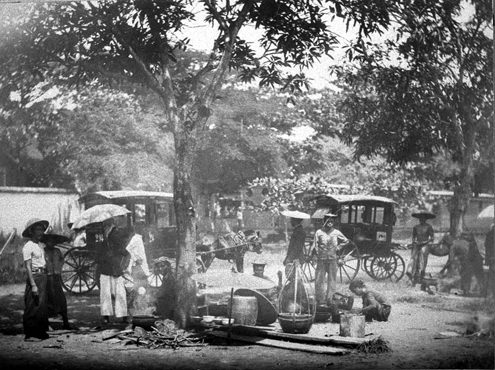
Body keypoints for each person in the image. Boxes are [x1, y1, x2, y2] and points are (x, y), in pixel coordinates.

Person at [96, 218, 130, 325]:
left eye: (108, 226)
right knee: (105, 293)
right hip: (105, 270)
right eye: (105, 227)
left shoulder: (117, 240)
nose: (106, 229)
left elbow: (126, 254)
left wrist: (123, 267)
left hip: (116, 269)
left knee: (120, 293)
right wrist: (104, 257)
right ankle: (106, 316)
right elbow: (97, 258)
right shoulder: (103, 243)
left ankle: (123, 315)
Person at [21, 218, 50, 341]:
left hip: (43, 276)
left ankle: (40, 331)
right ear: (31, 231)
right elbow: (28, 267)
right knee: (33, 304)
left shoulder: (40, 245)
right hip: (35, 276)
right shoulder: (28, 246)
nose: (41, 232)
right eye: (38, 229)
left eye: (42, 230)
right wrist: (33, 284)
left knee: (41, 305)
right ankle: (30, 334)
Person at [313, 213, 350, 306]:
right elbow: (315, 245)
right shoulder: (319, 232)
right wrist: (318, 253)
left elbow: (346, 241)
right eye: (328, 221)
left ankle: (330, 299)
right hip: (321, 260)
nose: (330, 223)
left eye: (331, 222)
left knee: (332, 280)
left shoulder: (336, 232)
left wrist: (337, 248)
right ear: (324, 222)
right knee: (319, 280)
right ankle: (320, 300)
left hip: (332, 260)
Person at [41, 233, 72, 330]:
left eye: (53, 241)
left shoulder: (57, 251)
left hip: (56, 277)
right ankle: (46, 323)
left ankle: (65, 322)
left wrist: (59, 268)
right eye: (49, 241)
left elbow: (62, 260)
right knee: (47, 299)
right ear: (46, 242)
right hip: (48, 277)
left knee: (61, 299)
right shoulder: (43, 251)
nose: (51, 243)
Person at [123, 228, 152, 328]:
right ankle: (130, 318)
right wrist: (136, 258)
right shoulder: (136, 238)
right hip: (137, 268)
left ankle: (139, 314)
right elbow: (128, 249)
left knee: (142, 292)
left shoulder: (140, 239)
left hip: (141, 268)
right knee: (134, 292)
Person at [406, 210, 435, 285]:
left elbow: (432, 237)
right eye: (420, 218)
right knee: (413, 256)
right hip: (417, 243)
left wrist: (425, 242)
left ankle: (422, 272)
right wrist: (414, 241)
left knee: (422, 254)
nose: (421, 220)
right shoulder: (416, 227)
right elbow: (413, 236)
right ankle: (410, 272)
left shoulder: (429, 227)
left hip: (425, 244)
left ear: (425, 219)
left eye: (423, 218)